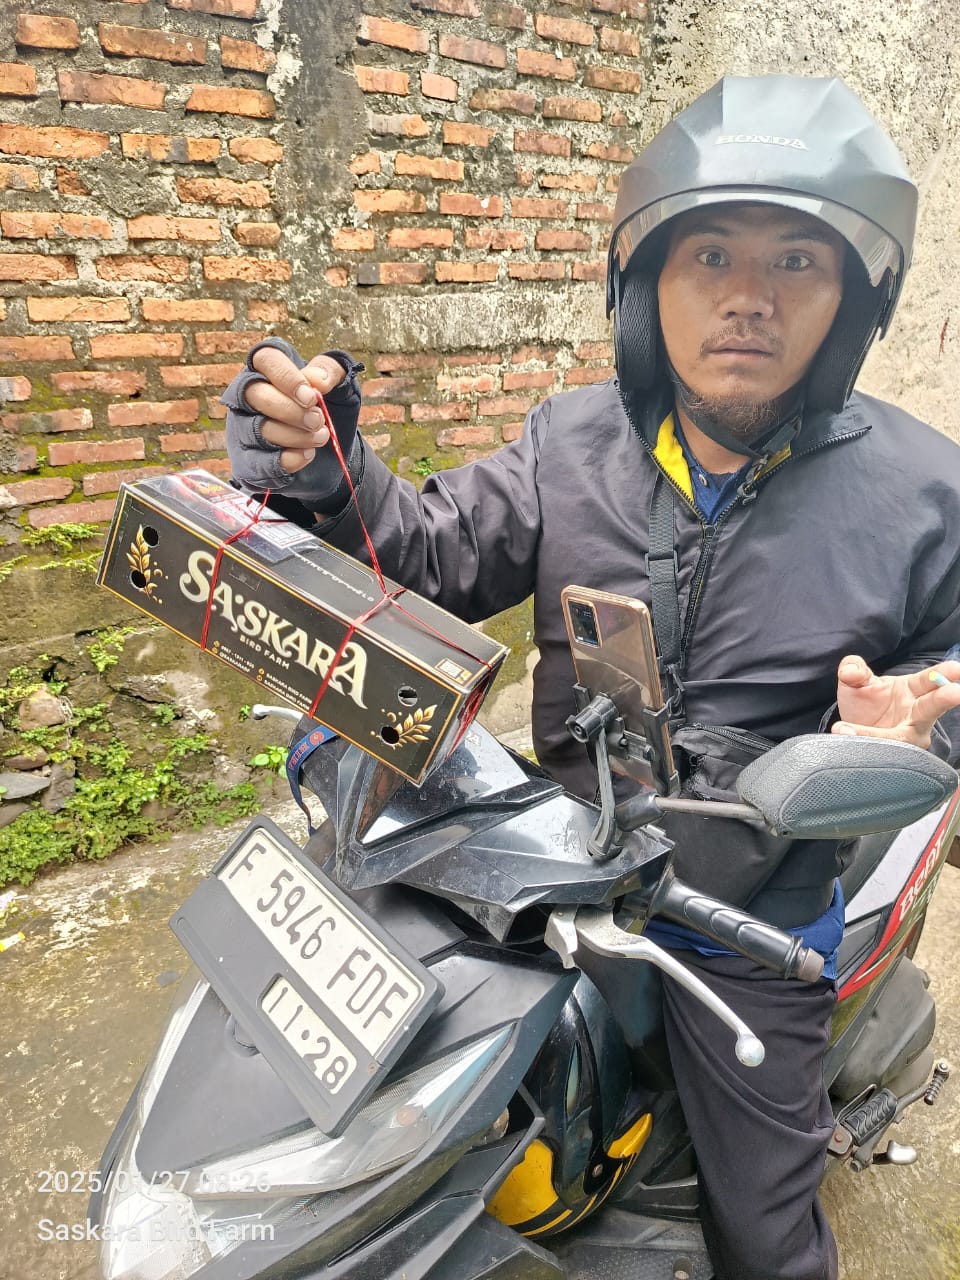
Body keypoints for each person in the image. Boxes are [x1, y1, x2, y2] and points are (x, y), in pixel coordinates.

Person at [222, 75, 960, 1280]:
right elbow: (427, 553)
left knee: (766, 1234)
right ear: (645, 284)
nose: (748, 296)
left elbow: (951, 670)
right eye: (711, 254)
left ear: (852, 302)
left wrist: (910, 731)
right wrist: (321, 465)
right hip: (555, 857)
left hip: (749, 913)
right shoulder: (567, 441)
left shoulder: (929, 494)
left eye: (796, 262)